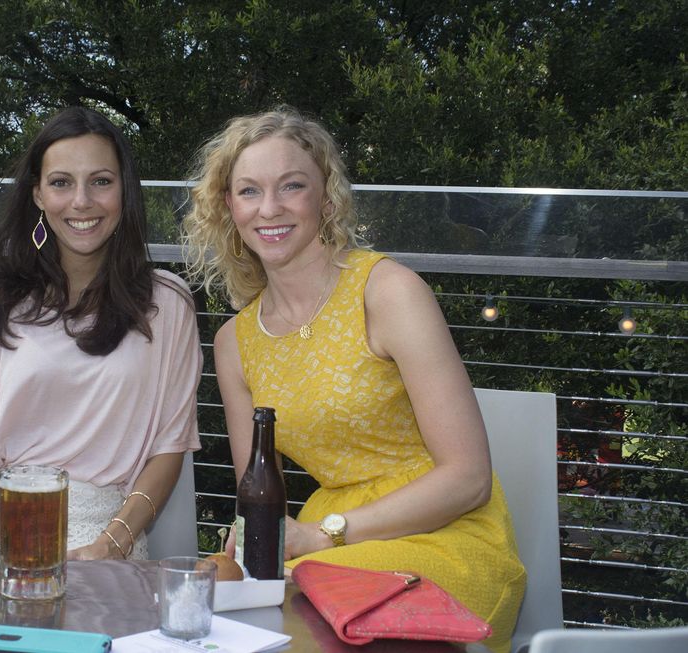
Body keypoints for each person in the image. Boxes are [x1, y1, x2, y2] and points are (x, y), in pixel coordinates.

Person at [182, 107, 525, 653]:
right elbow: (260, 498)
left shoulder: (387, 292)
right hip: (325, 547)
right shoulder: (233, 344)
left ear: (325, 196)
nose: (269, 209)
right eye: (249, 191)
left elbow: (469, 478)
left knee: (302, 611)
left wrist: (322, 536)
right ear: (229, 207)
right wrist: (245, 552)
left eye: (291, 186)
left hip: (446, 536)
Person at [0, 106, 202, 562]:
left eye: (101, 181)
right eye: (61, 182)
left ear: (124, 191)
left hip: (105, 535)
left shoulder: (167, 304)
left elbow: (168, 448)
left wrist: (111, 545)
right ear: (37, 194)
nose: (82, 201)